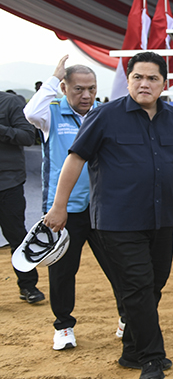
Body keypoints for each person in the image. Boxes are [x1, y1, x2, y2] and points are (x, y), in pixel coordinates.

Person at [44, 51, 173, 379]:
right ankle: (151, 358)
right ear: (129, 80)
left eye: (152, 78)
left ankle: (132, 350)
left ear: (164, 83)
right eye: (137, 77)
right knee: (138, 285)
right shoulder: (104, 116)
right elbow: (74, 160)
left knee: (153, 286)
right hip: (118, 221)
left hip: (162, 219)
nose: (144, 83)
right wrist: (59, 207)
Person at [24, 55, 124, 351]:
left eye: (91, 89)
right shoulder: (50, 114)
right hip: (64, 211)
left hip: (103, 207)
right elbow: (31, 111)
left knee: (120, 266)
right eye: (78, 89)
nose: (86, 95)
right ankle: (64, 327)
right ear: (65, 88)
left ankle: (127, 316)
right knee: (63, 270)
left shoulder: (104, 114)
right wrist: (53, 78)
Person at [0, 89, 44, 304]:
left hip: (8, 184)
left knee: (16, 235)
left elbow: (28, 136)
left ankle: (28, 286)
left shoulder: (10, 103)